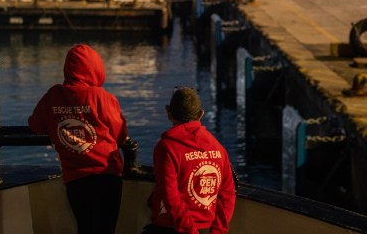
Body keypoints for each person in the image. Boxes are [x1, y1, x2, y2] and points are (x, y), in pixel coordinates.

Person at [28, 44, 129, 234]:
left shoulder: (53, 96)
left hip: (75, 180)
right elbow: (121, 134)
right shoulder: (102, 97)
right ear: (96, 69)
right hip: (106, 176)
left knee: (85, 228)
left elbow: (35, 125)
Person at [143, 87, 236, 234]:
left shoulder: (166, 148)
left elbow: (171, 198)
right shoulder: (219, 149)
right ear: (201, 114)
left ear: (168, 112)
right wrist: (218, 231)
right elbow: (228, 194)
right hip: (207, 229)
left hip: (172, 227)